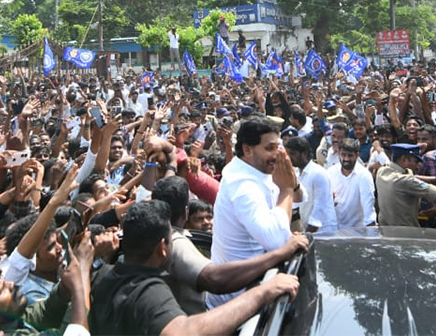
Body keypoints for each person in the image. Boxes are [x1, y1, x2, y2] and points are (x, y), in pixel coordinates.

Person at [89, 200, 300, 335]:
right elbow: (184, 331)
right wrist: (263, 292)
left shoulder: (102, 276)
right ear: (163, 247)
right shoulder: (150, 291)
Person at [152, 176, 308, 314]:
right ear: (186, 212)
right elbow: (214, 278)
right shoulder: (175, 243)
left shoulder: (155, 234)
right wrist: (281, 253)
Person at [209, 116, 296, 308]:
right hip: (237, 301)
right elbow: (275, 240)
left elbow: (298, 198)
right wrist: (287, 190)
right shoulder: (242, 185)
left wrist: (291, 186)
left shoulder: (256, 168)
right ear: (247, 149)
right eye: (269, 148)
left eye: (278, 146)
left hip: (256, 283)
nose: (277, 154)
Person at [376, 144, 436, 227]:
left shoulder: (383, 170)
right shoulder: (405, 181)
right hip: (405, 233)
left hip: (386, 230)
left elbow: (415, 178)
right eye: (416, 161)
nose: (418, 165)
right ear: (404, 159)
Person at [327, 139, 376, 229]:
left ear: (357, 155)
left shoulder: (364, 176)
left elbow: (368, 209)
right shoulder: (330, 173)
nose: (346, 159)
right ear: (338, 154)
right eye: (343, 155)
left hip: (356, 233)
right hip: (334, 231)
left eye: (350, 156)